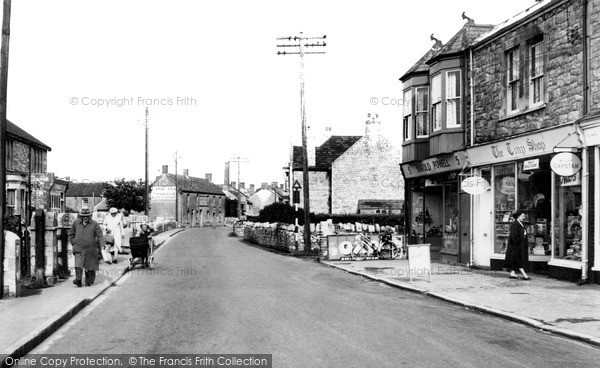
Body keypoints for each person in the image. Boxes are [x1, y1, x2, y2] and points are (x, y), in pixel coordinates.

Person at [69, 208, 105, 287]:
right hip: (78, 248)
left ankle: (88, 281)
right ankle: (78, 280)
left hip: (90, 249)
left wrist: (102, 244)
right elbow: (71, 234)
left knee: (90, 265)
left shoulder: (94, 224)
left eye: (87, 216)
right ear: (80, 216)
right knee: (78, 264)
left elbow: (100, 235)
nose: (85, 217)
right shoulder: (76, 223)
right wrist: (74, 242)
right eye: (83, 216)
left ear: (90, 216)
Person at [504, 210, 531, 280]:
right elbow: (514, 236)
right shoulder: (515, 224)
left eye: (524, 216)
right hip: (516, 246)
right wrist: (518, 243)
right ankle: (524, 275)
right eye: (522, 216)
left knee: (516, 261)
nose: (523, 217)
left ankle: (512, 273)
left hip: (519, 245)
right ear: (518, 216)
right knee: (519, 260)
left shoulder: (520, 223)